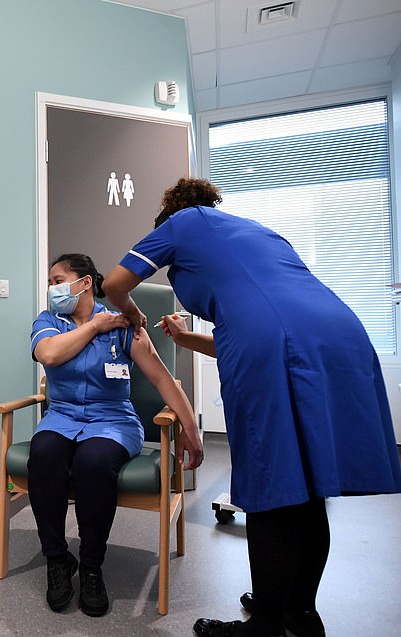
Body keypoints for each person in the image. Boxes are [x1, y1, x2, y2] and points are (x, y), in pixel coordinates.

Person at [103, 177, 401, 637]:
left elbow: (114, 284)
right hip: (339, 334)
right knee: (306, 489)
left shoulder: (181, 222)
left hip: (275, 340)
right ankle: (295, 611)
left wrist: (134, 312)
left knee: (270, 485)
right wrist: (183, 338)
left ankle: (263, 626)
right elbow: (254, 331)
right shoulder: (256, 232)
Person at [28, 253, 203, 616]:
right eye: (49, 283)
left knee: (94, 461)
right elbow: (48, 354)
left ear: (85, 282)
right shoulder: (49, 321)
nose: (51, 289)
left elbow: (161, 379)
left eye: (57, 279)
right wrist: (94, 328)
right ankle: (58, 561)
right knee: (43, 454)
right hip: (62, 417)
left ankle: (92, 566)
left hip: (113, 422)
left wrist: (191, 428)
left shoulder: (125, 325)